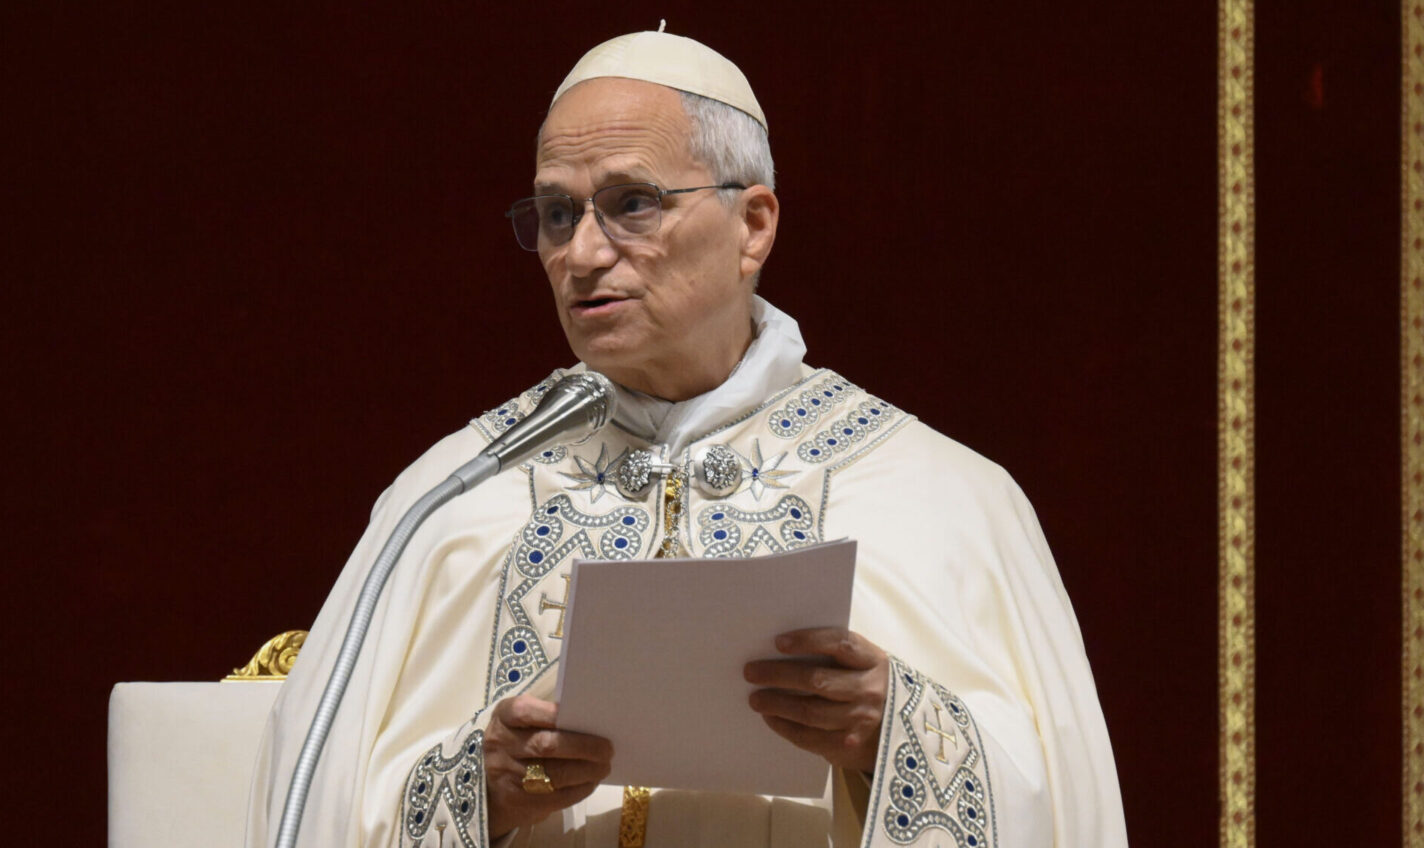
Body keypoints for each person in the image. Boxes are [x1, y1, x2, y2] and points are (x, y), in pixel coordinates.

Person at [243, 28, 1125, 848]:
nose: (583, 254)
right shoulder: (449, 497)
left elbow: (1063, 809)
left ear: (753, 226)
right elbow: (308, 810)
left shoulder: (945, 498)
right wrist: (480, 787)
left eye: (632, 204)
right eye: (557, 215)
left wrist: (893, 732)